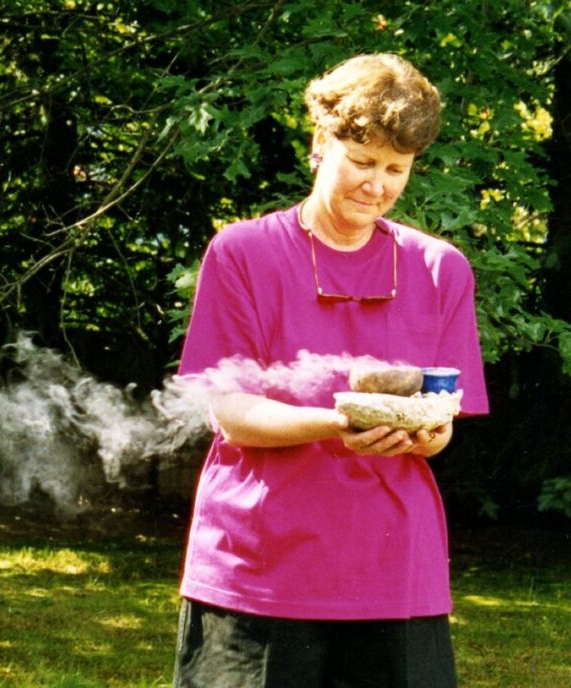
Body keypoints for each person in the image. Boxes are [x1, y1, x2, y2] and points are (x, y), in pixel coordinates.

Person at [173, 53, 489, 687]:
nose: (378, 185)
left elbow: (444, 424)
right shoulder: (243, 253)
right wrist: (337, 421)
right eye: (363, 162)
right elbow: (230, 414)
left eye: (396, 169)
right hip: (257, 574)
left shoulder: (440, 269)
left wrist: (425, 432)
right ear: (322, 143)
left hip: (395, 577)